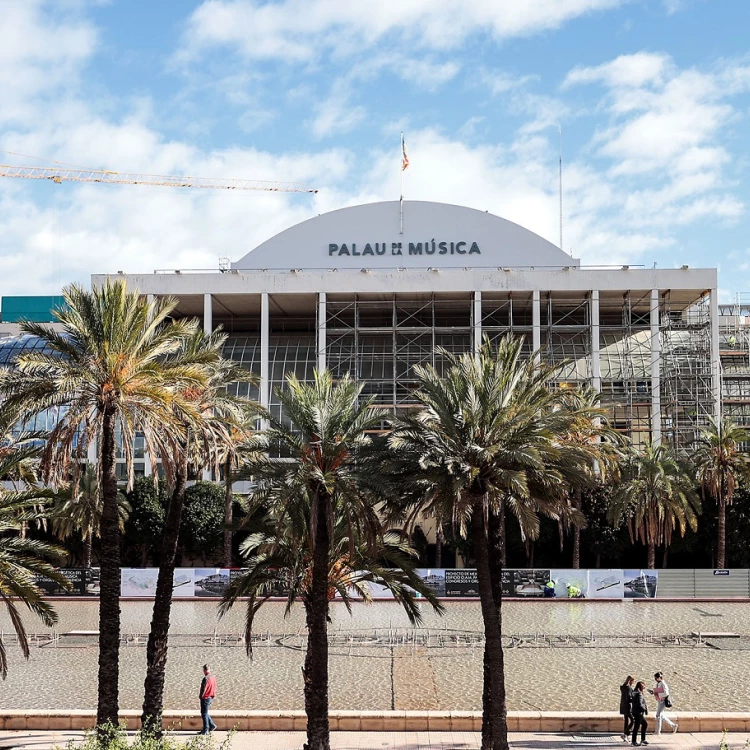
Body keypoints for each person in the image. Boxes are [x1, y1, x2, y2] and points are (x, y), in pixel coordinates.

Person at [199, 664, 217, 735]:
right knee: (205, 712)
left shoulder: (205, 678)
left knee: (204, 713)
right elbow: (215, 686)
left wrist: (201, 696)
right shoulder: (213, 677)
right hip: (211, 697)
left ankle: (206, 729)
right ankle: (212, 725)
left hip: (205, 698)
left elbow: (203, 689)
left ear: (204, 670)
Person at [631, 681, 649, 746]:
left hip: (635, 711)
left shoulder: (634, 692)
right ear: (641, 687)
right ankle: (634, 741)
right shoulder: (639, 694)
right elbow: (640, 704)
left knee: (644, 724)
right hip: (639, 712)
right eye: (643, 686)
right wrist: (644, 709)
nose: (644, 686)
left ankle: (642, 740)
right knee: (637, 727)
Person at [619, 676, 635, 741]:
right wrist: (635, 699)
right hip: (627, 707)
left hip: (623, 706)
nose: (633, 683)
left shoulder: (623, 687)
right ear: (630, 681)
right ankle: (626, 734)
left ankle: (625, 735)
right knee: (633, 720)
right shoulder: (628, 688)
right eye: (633, 681)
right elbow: (628, 698)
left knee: (626, 720)